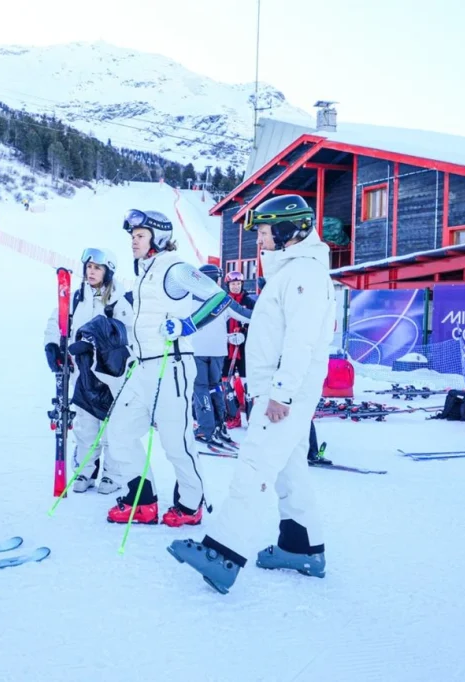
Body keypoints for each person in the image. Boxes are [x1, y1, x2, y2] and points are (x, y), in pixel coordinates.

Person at [167, 194, 335, 594]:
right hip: (282, 391)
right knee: (290, 472)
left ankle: (222, 555)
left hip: (284, 394)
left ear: (286, 231)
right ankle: (302, 548)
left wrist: (281, 393)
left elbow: (301, 341)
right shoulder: (291, 272)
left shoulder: (304, 275)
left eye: (263, 232)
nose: (259, 240)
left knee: (254, 468)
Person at [104, 210, 245, 527]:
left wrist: (187, 325)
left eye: (139, 236)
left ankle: (190, 505)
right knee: (120, 431)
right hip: (142, 368)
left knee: (175, 441)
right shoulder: (144, 271)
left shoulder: (176, 269)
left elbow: (219, 298)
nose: (133, 242)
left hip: (172, 366)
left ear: (159, 237)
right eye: (132, 236)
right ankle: (141, 500)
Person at [44, 247, 132, 495]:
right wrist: (52, 345)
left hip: (111, 374)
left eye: (97, 268)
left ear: (109, 272)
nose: (91, 272)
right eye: (89, 267)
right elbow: (57, 321)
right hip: (82, 372)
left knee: (111, 425)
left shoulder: (121, 299)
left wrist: (95, 344)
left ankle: (112, 475)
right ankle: (85, 470)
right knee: (85, 425)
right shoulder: (76, 298)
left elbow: (127, 333)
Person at [189, 264, 250, 448]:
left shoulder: (189, 298)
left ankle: (205, 429)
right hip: (218, 352)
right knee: (216, 387)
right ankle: (220, 426)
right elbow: (247, 315)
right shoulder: (222, 299)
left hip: (198, 351)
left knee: (201, 388)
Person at [222, 271, 256, 381]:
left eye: (238, 284)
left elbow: (256, 321)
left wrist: (244, 331)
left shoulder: (249, 302)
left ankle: (245, 394)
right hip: (226, 344)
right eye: (233, 284)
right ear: (228, 286)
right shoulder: (223, 302)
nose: (236, 287)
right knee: (224, 372)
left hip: (244, 345)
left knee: (244, 372)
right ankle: (228, 393)